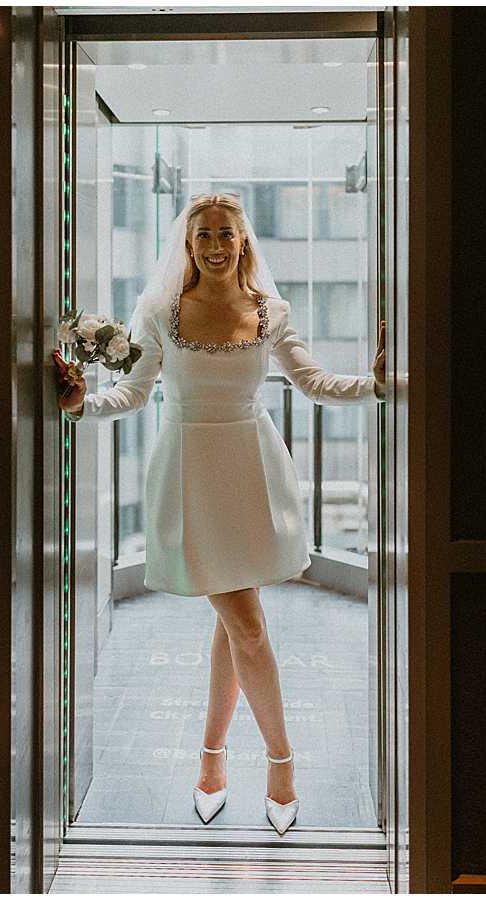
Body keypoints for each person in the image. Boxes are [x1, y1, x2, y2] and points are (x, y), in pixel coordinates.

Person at [53, 193, 385, 836]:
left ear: (243, 241)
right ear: (188, 242)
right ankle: (282, 765)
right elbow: (132, 393)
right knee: (249, 626)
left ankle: (211, 759)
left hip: (253, 471)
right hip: (189, 474)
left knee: (237, 624)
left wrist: (378, 383)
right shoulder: (160, 312)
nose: (214, 245)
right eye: (203, 233)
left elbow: (315, 383)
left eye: (225, 234)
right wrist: (80, 405)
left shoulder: (270, 312)